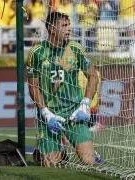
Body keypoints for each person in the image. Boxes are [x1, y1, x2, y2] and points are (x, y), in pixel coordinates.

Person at [27, 11, 99, 167]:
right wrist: (46, 114)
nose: (69, 29)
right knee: (51, 165)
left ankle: (84, 150)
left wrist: (85, 105)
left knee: (89, 162)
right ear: (52, 28)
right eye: (64, 26)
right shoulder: (37, 53)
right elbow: (33, 87)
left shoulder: (76, 49)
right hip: (50, 116)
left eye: (69, 25)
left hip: (74, 113)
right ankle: (47, 152)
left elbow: (93, 77)